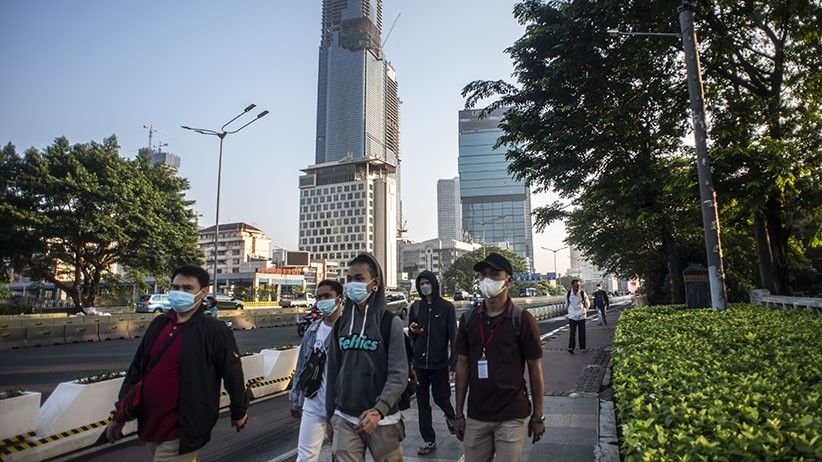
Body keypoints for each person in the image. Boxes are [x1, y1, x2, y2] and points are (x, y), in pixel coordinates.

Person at [105, 264, 248, 461]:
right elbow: (136, 371)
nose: (180, 293)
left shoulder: (214, 330)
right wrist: (119, 416)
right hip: (151, 425)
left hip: (184, 429)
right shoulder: (159, 324)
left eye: (187, 288)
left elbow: (233, 373)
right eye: (175, 287)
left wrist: (239, 411)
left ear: (203, 292)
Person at [453, 253, 545, 462]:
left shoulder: (522, 319)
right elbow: (463, 365)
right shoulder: (469, 319)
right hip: (477, 414)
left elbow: (534, 368)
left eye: (495, 274)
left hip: (512, 413)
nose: (488, 280)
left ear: (508, 280)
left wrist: (538, 415)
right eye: (484, 275)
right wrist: (459, 412)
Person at [325, 253, 408, 461]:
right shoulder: (340, 325)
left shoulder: (390, 323)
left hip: (383, 420)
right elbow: (333, 371)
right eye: (349, 279)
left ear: (375, 283)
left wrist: (379, 410)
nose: (353, 284)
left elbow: (398, 374)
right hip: (344, 417)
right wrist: (330, 416)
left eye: (359, 279)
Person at [290, 280, 344, 462]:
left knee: (342, 456)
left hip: (341, 405)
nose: (323, 301)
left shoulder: (349, 330)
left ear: (339, 299)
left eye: (327, 296)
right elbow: (302, 367)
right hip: (313, 403)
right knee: (305, 456)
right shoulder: (313, 330)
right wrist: (296, 398)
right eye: (319, 297)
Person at [407, 271, 457, 456]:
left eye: (428, 282)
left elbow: (454, 336)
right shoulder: (416, 307)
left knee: (441, 397)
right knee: (422, 402)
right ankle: (429, 439)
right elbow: (412, 334)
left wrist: (454, 364)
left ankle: (451, 417)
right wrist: (414, 331)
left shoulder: (446, 308)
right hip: (419, 363)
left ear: (434, 284)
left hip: (439, 363)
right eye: (421, 283)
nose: (424, 286)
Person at [566, 279, 590, 354]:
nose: (577, 287)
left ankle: (582, 347)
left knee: (582, 332)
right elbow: (566, 304)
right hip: (572, 316)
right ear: (572, 286)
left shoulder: (582, 293)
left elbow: (587, 304)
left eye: (578, 285)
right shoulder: (568, 294)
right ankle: (571, 347)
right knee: (572, 332)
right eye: (576, 285)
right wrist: (570, 311)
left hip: (581, 316)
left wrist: (585, 310)